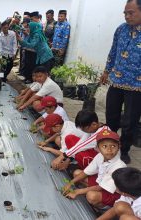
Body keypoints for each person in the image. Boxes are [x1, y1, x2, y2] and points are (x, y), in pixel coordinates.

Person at [100, 0, 141, 164]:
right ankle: (108, 144)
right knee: (111, 116)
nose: (127, 16)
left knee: (130, 121)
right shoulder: (121, 29)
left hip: (137, 86)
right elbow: (113, 50)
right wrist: (106, 70)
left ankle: (123, 150)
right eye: (125, 13)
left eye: (131, 12)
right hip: (116, 81)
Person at [62, 129, 126, 209]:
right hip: (100, 183)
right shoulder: (100, 156)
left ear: (119, 147)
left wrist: (78, 192)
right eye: (104, 146)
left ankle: (104, 208)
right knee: (77, 174)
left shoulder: (119, 166)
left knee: (91, 196)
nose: (109, 150)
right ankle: (87, 193)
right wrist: (70, 183)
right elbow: (86, 172)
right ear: (98, 148)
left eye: (113, 146)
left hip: (112, 192)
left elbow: (101, 187)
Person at [20, 18, 37, 83]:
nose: (24, 24)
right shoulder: (24, 29)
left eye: (25, 23)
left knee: (31, 65)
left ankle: (30, 79)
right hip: (26, 49)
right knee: (26, 64)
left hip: (32, 51)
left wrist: (27, 33)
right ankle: (26, 77)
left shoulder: (34, 32)